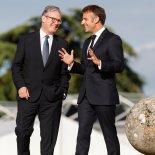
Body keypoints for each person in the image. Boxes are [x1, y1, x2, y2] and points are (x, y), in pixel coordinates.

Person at [59, 5, 124, 155]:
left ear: (96, 19)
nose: (82, 22)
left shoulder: (113, 39)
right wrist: (71, 64)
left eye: (85, 19)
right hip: (86, 97)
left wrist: (100, 62)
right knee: (82, 136)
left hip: (104, 96)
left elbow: (119, 65)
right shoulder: (86, 42)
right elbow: (85, 69)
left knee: (110, 136)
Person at [12, 5, 70, 155]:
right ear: (43, 18)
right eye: (53, 19)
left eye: (59, 21)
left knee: (48, 141)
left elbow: (64, 73)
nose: (56, 23)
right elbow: (16, 66)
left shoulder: (63, 44)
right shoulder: (26, 40)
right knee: (22, 132)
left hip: (52, 99)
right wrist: (20, 86)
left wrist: (62, 92)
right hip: (28, 95)